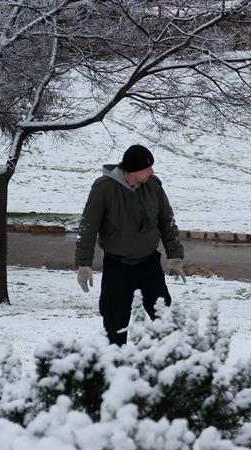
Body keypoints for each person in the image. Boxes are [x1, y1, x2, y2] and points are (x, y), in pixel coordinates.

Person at [75, 145, 185, 346]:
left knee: (166, 321)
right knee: (115, 324)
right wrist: (84, 264)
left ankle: (171, 364)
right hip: (118, 268)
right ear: (133, 170)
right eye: (147, 168)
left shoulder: (153, 186)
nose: (152, 171)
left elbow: (167, 221)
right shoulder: (104, 189)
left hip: (149, 265)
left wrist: (175, 256)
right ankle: (115, 367)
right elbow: (87, 228)